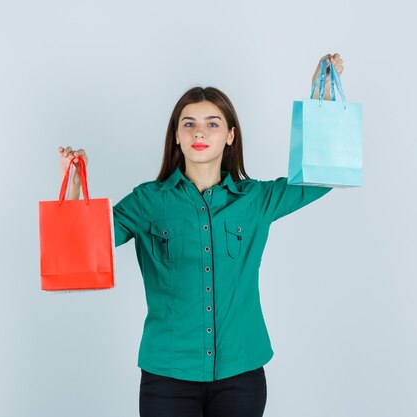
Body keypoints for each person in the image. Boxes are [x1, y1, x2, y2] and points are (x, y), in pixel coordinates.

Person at [57, 53, 345, 417]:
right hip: (167, 376)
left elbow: (321, 178)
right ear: (176, 136)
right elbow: (83, 247)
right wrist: (75, 190)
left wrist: (323, 104)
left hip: (241, 373)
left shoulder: (255, 200)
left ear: (230, 135)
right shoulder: (148, 201)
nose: (199, 132)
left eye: (212, 123)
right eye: (189, 124)